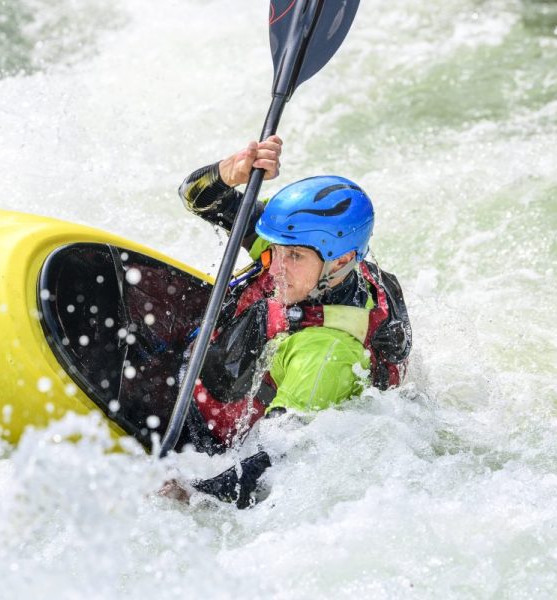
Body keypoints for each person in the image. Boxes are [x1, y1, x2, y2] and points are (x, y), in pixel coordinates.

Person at [162, 136, 412, 508]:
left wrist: (185, 497)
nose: (275, 266)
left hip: (202, 434)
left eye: (292, 256)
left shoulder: (325, 355)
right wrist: (233, 170)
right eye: (274, 249)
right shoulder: (298, 250)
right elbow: (195, 195)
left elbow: (273, 467)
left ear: (342, 260)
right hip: (203, 364)